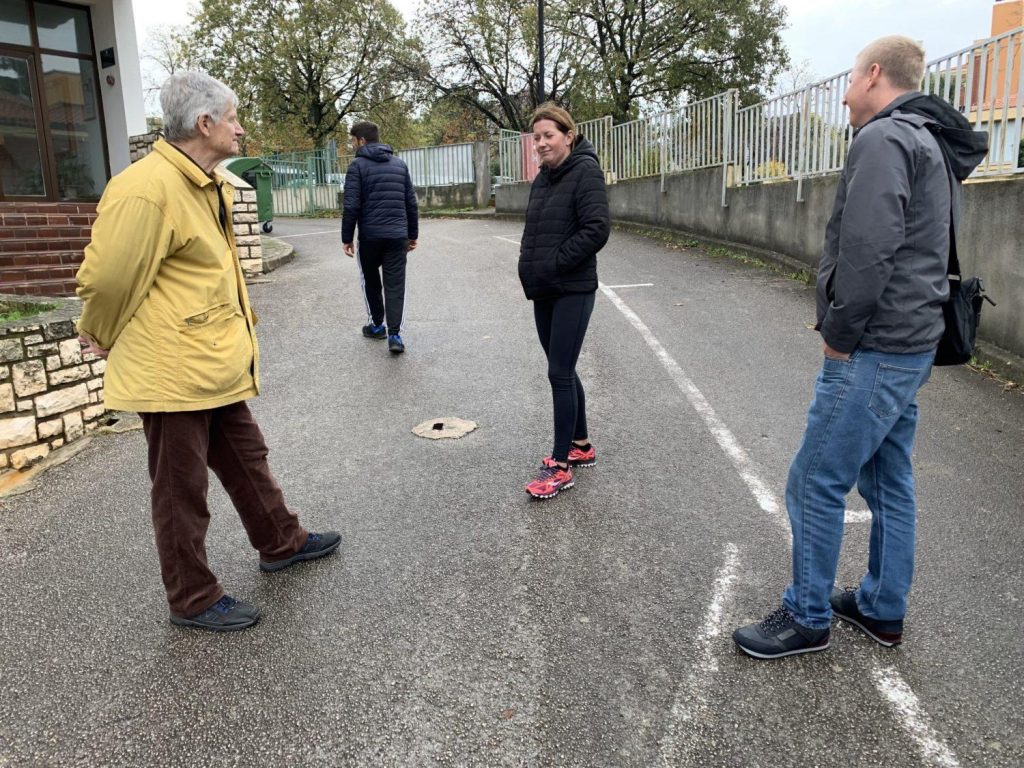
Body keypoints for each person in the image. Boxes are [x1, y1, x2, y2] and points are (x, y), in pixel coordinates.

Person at [733, 37, 988, 659]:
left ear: (874, 75)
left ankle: (807, 616)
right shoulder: (928, 140)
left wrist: (840, 338)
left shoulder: (883, 138)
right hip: (912, 341)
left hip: (875, 347)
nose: (845, 94)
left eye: (850, 78)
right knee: (888, 478)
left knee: (813, 479)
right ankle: (881, 606)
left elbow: (869, 251)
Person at [75, 72, 342, 632]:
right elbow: (107, 280)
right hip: (172, 368)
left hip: (207, 359)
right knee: (181, 491)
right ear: (204, 124)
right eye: (233, 118)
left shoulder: (204, 180)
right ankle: (191, 597)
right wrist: (97, 331)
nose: (240, 129)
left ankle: (280, 541)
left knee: (248, 457)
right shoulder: (147, 189)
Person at [518, 103, 610, 500]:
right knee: (564, 369)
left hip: (572, 288)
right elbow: (535, 230)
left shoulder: (585, 171)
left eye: (548, 135)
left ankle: (560, 465)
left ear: (568, 136)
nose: (541, 143)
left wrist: (554, 264)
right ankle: (581, 444)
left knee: (559, 372)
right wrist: (531, 267)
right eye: (536, 137)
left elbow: (596, 230)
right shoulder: (543, 178)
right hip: (544, 288)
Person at [341, 121, 419, 354]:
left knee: (371, 282)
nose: (353, 145)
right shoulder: (399, 165)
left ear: (362, 141)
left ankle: (377, 326)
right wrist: (412, 235)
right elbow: (410, 203)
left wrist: (347, 238)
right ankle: (395, 335)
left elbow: (351, 206)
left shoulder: (357, 166)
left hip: (370, 238)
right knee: (395, 285)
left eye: (353, 140)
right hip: (397, 237)